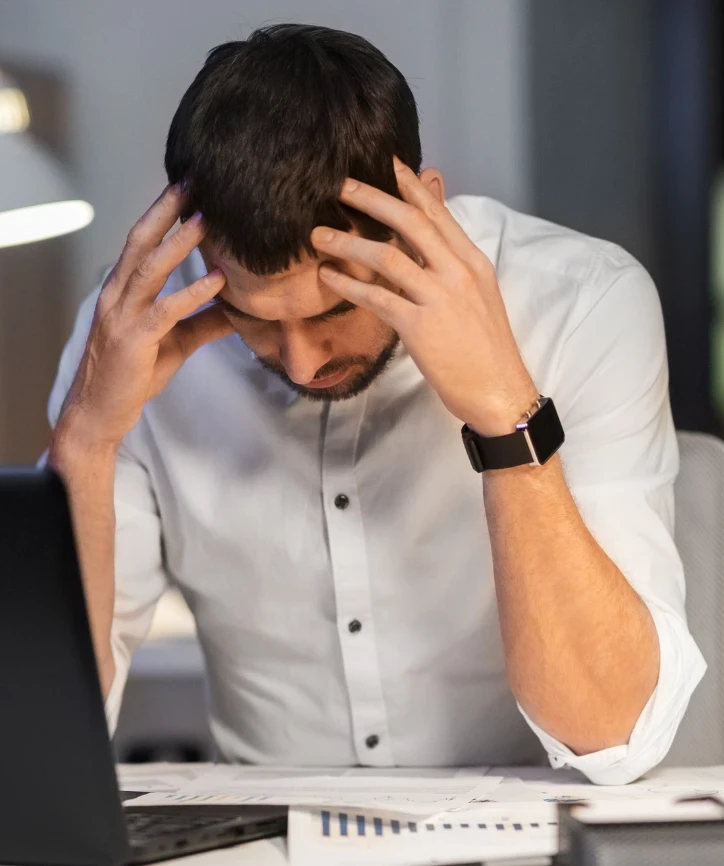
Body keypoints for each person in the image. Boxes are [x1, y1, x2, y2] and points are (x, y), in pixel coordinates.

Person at [46, 24, 704, 786]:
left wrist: (505, 415)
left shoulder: (582, 303)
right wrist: (86, 440)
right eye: (252, 318)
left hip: (523, 826)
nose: (301, 361)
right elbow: (50, 722)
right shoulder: (130, 337)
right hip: (260, 835)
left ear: (421, 217)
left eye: (335, 310)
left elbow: (614, 733)